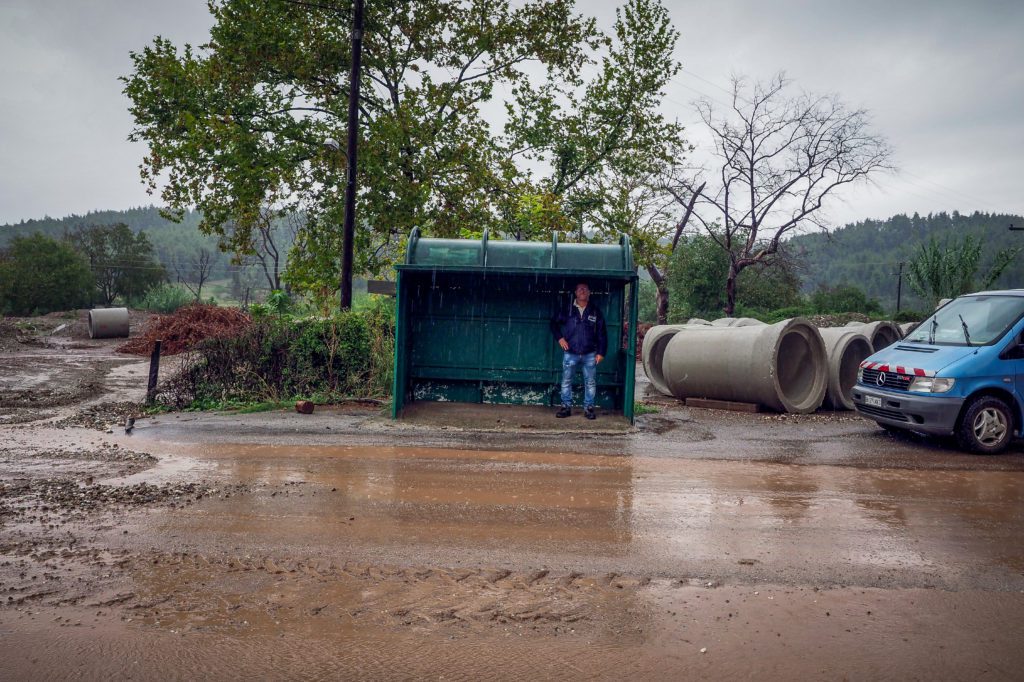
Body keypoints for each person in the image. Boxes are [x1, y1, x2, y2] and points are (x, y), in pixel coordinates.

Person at [550, 281, 607, 419]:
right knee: (566, 380)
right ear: (575, 293)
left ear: (589, 293)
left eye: (585, 289)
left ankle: (589, 408)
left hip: (590, 354)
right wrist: (560, 338)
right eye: (579, 289)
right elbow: (553, 323)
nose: (582, 291)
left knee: (590, 381)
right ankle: (565, 407)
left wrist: (601, 352)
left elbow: (602, 333)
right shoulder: (567, 309)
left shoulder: (595, 311)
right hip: (571, 353)